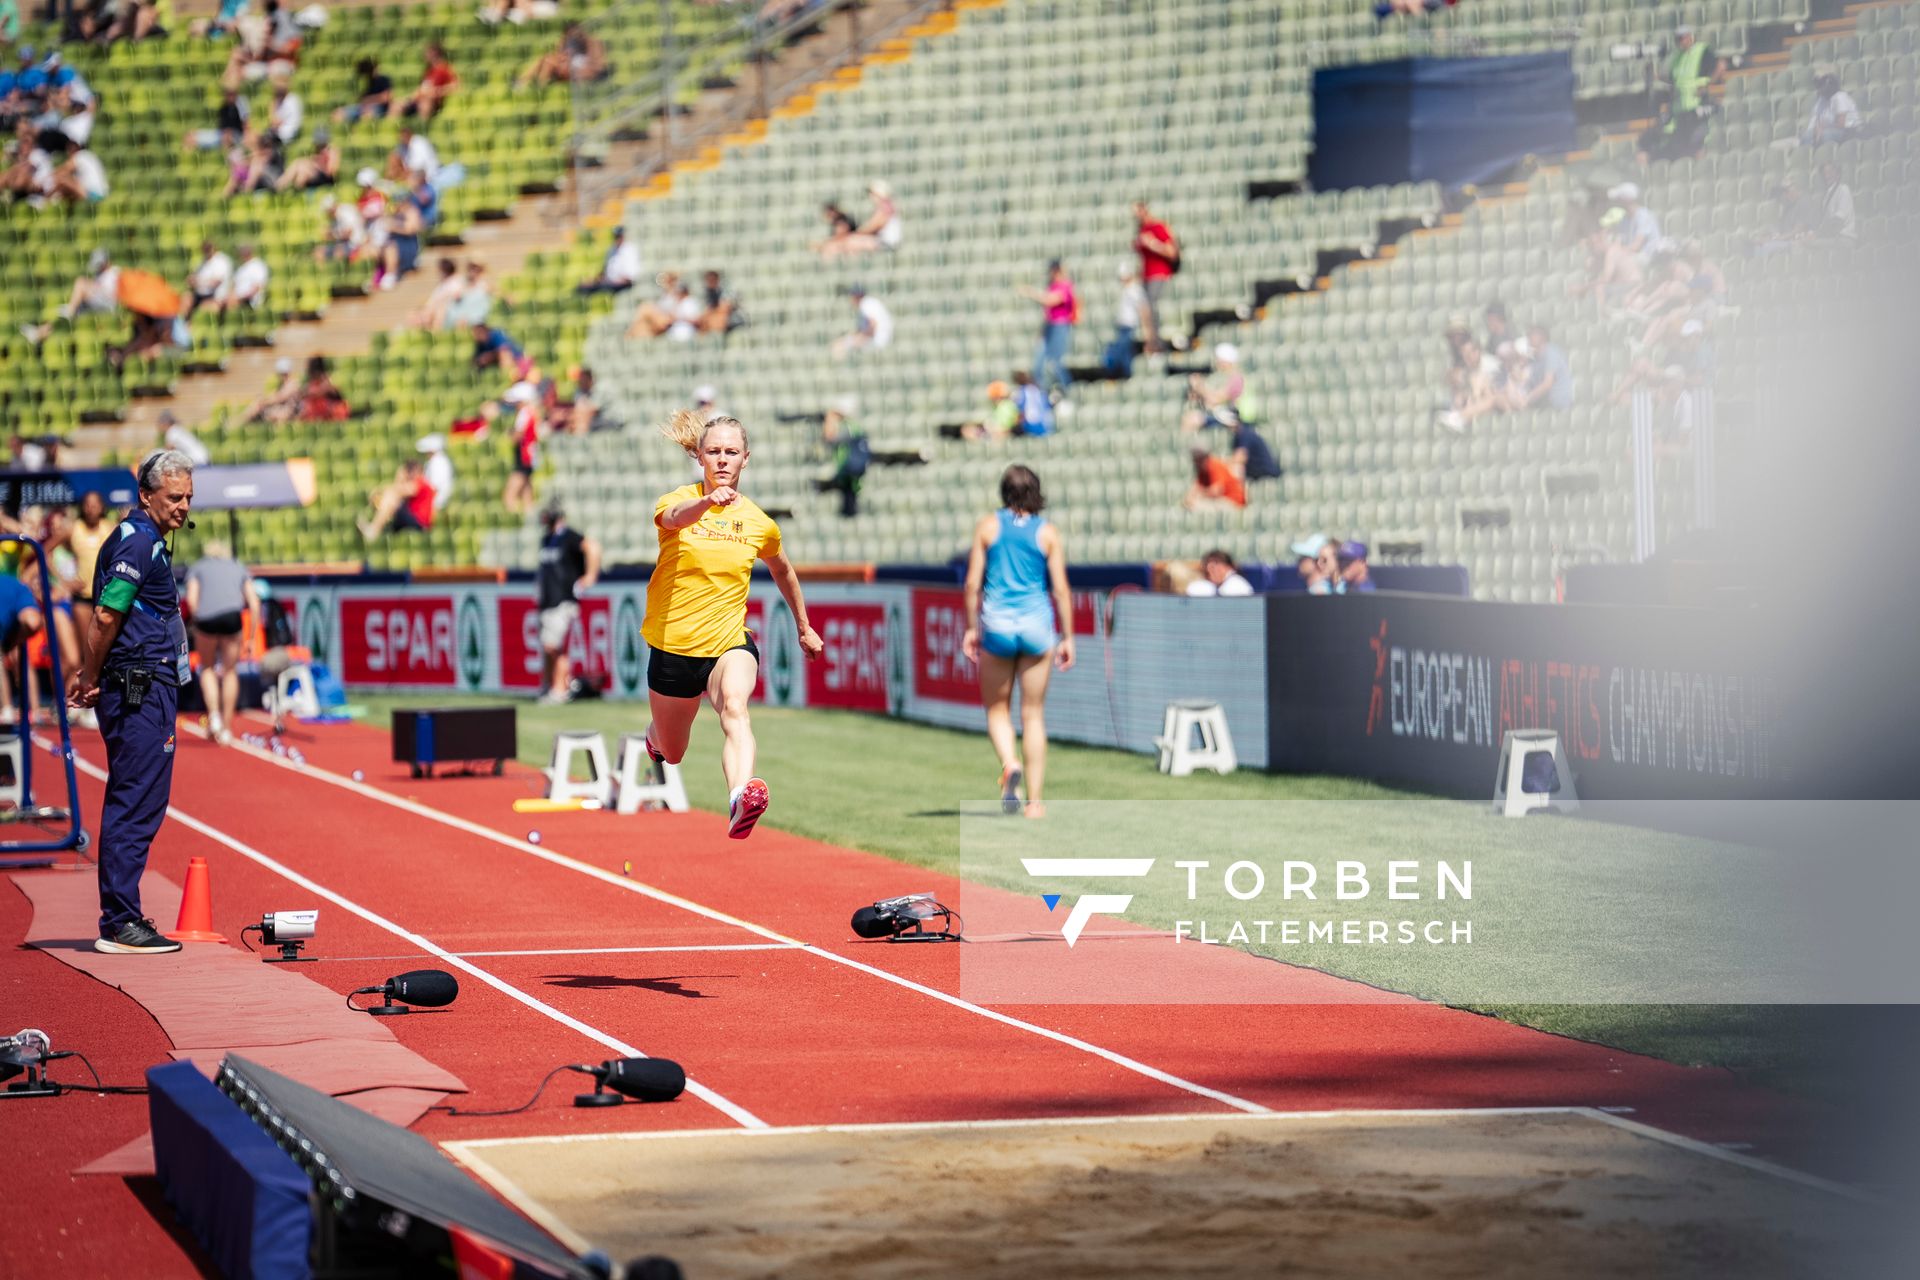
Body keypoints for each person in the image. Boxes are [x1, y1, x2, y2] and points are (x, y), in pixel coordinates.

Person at [641, 409, 824, 839]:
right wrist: (707, 502)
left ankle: (740, 797)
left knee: (736, 707)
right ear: (699, 457)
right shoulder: (676, 501)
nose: (722, 459)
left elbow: (783, 570)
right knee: (673, 750)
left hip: (728, 643)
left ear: (746, 458)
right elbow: (675, 518)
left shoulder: (760, 523)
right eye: (714, 452)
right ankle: (655, 737)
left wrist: (804, 625)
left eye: (732, 452)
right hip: (674, 647)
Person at [67, 449, 195, 956]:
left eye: (188, 497)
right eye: (174, 497)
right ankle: (121, 922)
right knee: (136, 801)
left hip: (146, 684)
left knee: (139, 798)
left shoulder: (144, 541)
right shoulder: (138, 543)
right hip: (139, 687)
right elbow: (105, 615)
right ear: (146, 496)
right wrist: (89, 675)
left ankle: (122, 916)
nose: (183, 506)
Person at [960, 464, 1074, 819]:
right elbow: (1060, 589)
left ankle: (1010, 764)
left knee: (997, 710)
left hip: (998, 624)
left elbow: (971, 585)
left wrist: (970, 628)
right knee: (1034, 715)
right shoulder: (1048, 532)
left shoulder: (988, 526)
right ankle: (1035, 803)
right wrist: (1068, 636)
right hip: (1037, 625)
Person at [185, 538, 258, 746]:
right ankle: (226, 728)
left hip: (207, 619)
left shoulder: (198, 568)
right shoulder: (237, 567)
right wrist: (251, 637)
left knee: (207, 667)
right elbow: (254, 602)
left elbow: (192, 599)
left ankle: (214, 715)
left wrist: (199, 620)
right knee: (230, 671)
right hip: (232, 618)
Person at [535, 503, 601, 704]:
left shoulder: (568, 536)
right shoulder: (547, 539)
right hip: (548, 601)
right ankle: (548, 687)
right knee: (549, 648)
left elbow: (593, 547)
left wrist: (590, 576)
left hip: (563, 600)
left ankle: (559, 689)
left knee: (553, 647)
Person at [1019, 260, 1076, 400]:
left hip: (1060, 326)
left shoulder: (1065, 286)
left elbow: (1050, 300)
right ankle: (1042, 395)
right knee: (1039, 363)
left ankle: (1067, 392)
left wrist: (1030, 292)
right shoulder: (1053, 286)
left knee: (1054, 363)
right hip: (1050, 326)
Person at [1131, 201, 1179, 357]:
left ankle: (1156, 343)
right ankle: (1150, 342)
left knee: (1151, 305)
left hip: (1159, 274)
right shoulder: (1141, 231)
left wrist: (1152, 244)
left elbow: (1172, 252)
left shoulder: (1157, 227)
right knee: (1144, 308)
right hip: (1146, 276)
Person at [0, 571, 46, 724]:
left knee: (18, 654)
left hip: (11, 591)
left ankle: (8, 709)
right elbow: (33, 622)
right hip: (14, 588)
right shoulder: (15, 584)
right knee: (20, 654)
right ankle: (34, 710)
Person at [819, 395, 869, 518]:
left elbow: (830, 439)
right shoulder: (852, 426)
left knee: (849, 500)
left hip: (848, 469)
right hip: (847, 470)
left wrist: (829, 421)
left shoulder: (848, 426)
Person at [1105, 262, 1147, 376]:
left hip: (1129, 325)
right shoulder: (1126, 289)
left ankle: (1124, 373)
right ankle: (1123, 373)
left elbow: (1142, 309)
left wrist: (1145, 328)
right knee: (1124, 351)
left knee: (1124, 351)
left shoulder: (1134, 290)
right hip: (1123, 325)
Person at [1802, 69, 1861, 146]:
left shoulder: (1840, 97)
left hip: (1849, 131)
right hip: (1830, 130)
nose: (1818, 88)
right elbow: (1817, 122)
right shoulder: (1821, 101)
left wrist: (1823, 128)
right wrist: (1816, 130)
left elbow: (1841, 124)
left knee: (1826, 135)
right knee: (1806, 136)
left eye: (1821, 84)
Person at [830, 285, 892, 357]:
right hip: (880, 337)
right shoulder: (869, 302)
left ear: (856, 297)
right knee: (844, 343)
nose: (850, 299)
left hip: (878, 339)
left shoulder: (866, 304)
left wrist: (860, 337)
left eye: (851, 296)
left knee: (840, 346)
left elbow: (873, 325)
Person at [577, 226, 640, 295]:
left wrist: (616, 281)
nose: (617, 239)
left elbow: (629, 276)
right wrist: (595, 280)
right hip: (610, 282)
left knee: (603, 288)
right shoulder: (612, 249)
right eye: (615, 237)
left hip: (623, 283)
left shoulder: (629, 249)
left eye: (618, 236)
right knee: (584, 288)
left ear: (622, 236)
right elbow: (606, 270)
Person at [1183, 445, 1245, 511]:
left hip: (1233, 501)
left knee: (1196, 507)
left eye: (1196, 458)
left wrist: (1199, 495)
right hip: (1222, 501)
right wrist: (1189, 499)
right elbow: (1197, 488)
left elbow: (1217, 491)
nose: (1194, 461)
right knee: (1190, 506)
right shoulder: (1202, 469)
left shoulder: (1214, 465)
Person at [1185, 550, 1253, 597]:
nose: (1212, 572)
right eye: (1210, 570)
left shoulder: (1237, 585)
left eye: (1216, 566)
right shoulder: (1204, 586)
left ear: (1229, 567)